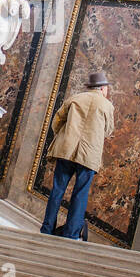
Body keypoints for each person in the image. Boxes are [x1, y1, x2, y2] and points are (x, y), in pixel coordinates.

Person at [40, 71, 114, 241]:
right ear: (103, 88)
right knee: (80, 194)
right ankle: (71, 235)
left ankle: (46, 229)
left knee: (57, 190)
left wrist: (65, 135)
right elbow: (108, 131)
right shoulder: (107, 106)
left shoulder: (75, 98)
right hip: (88, 156)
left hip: (66, 150)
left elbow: (57, 121)